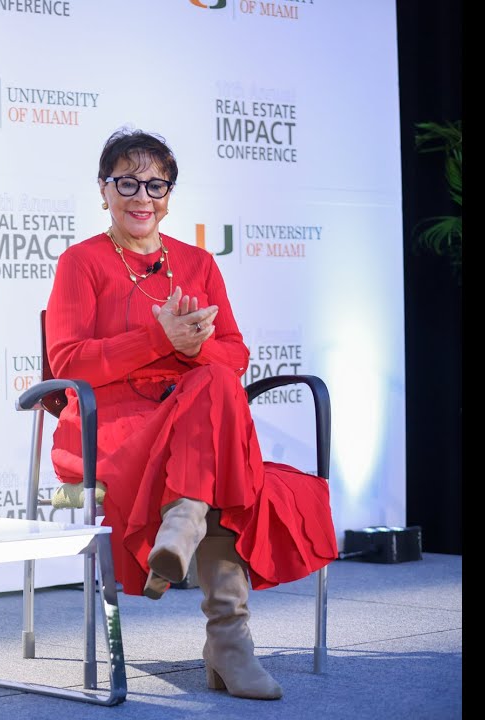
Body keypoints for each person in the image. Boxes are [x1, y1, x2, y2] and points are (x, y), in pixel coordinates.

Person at [44, 128, 337, 700]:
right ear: (103, 190)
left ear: (170, 194)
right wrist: (160, 339)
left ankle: (186, 520)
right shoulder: (81, 262)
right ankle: (228, 642)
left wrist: (194, 348)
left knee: (216, 382)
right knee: (221, 449)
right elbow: (69, 362)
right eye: (127, 183)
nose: (142, 196)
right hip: (112, 426)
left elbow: (236, 355)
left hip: (193, 420)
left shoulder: (198, 262)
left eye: (156, 185)